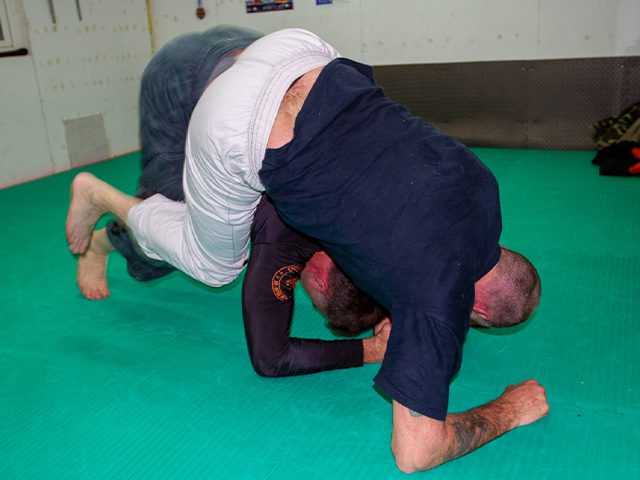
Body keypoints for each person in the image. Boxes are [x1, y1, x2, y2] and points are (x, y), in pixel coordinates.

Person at [66, 28, 547, 473]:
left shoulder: (484, 189)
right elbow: (415, 454)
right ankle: (99, 196)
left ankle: (108, 239)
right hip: (235, 120)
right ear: (478, 307)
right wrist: (510, 410)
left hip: (304, 57)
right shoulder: (437, 296)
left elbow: (407, 223)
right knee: (213, 266)